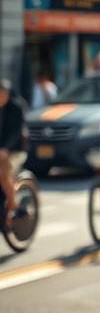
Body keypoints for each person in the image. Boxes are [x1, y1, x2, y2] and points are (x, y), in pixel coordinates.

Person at [0, 80, 27, 227]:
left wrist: (5, 148)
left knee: (4, 176)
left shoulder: (16, 108)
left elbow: (16, 132)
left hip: (14, 151)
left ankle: (13, 205)